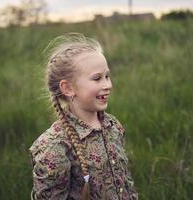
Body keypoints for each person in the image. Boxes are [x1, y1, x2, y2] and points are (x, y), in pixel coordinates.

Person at [29, 33, 138, 200]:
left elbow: (125, 182)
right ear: (68, 88)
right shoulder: (54, 147)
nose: (107, 85)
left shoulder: (113, 125)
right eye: (97, 78)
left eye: (107, 76)